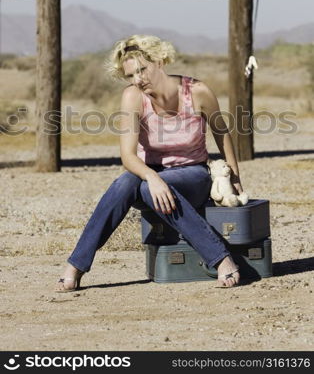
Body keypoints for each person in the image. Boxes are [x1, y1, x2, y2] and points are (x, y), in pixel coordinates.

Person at [56, 34, 245, 292]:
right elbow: (128, 156)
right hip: (150, 176)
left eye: (142, 70)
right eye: (131, 75)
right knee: (128, 183)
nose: (137, 79)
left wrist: (234, 177)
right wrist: (153, 177)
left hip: (193, 175)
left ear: (160, 61)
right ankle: (76, 264)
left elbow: (221, 134)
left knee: (144, 186)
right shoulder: (133, 97)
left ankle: (220, 258)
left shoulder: (197, 92)